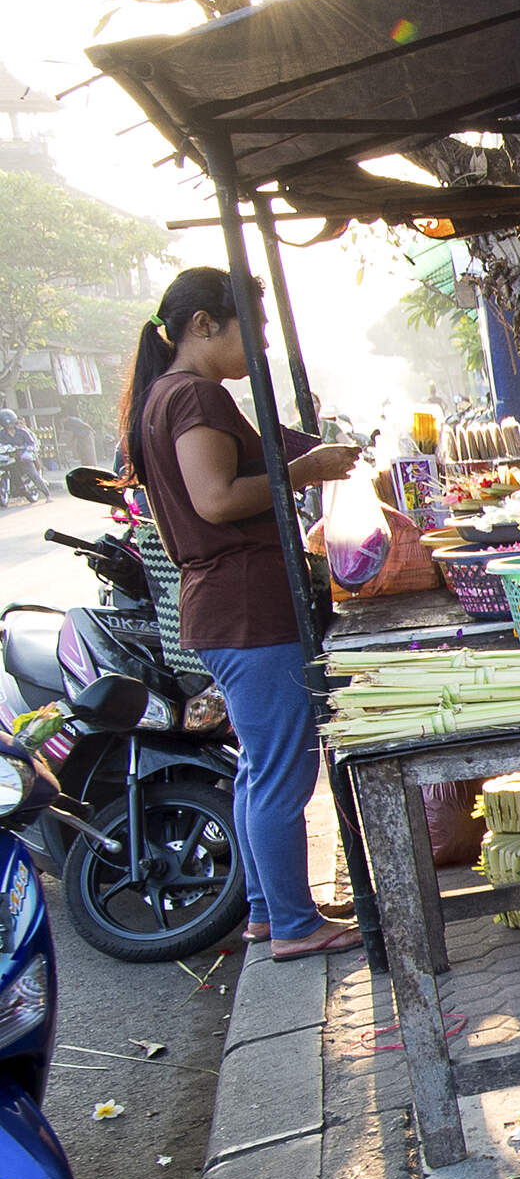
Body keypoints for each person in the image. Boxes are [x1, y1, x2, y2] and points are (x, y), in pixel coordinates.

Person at [121, 266, 363, 959]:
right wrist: (304, 473)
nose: (260, 344)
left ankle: (268, 910)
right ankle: (294, 925)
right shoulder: (192, 395)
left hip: (226, 609)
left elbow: (249, 458)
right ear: (204, 325)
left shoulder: (167, 397)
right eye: (251, 327)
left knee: (261, 769)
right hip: (249, 609)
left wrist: (308, 452)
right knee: (284, 774)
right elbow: (217, 499)